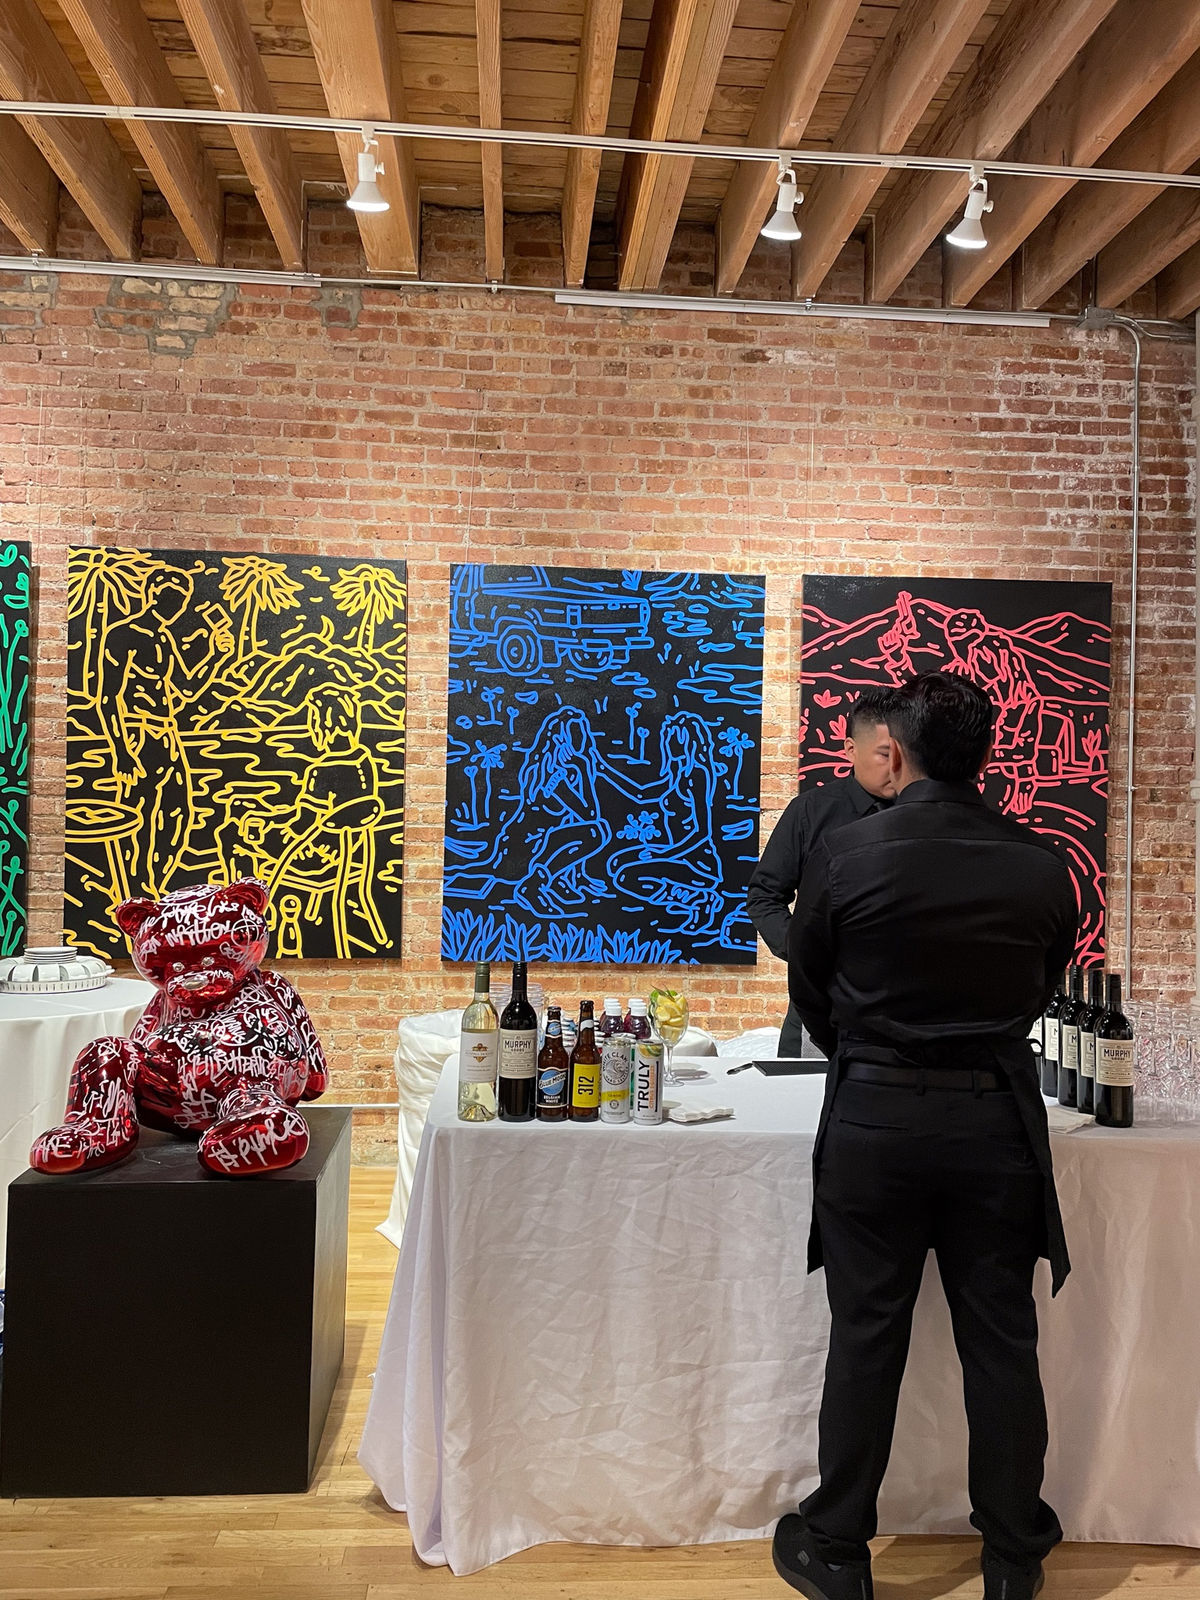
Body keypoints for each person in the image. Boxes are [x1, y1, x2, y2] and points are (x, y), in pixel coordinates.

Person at [773, 671, 1077, 1600]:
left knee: (866, 1334)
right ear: (982, 756)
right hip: (995, 1121)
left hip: (875, 1119)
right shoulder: (1042, 864)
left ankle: (838, 1550)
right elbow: (1041, 987)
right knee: (1002, 1341)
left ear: (894, 751)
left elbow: (812, 988)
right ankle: (1013, 1557)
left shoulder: (846, 855)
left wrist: (870, 1050)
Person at [747, 689, 896, 1055]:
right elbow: (764, 895)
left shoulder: (922, 815)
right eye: (884, 754)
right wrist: (802, 951)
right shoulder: (811, 811)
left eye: (903, 754)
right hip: (818, 1008)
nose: (895, 766)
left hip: (900, 1011)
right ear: (851, 750)